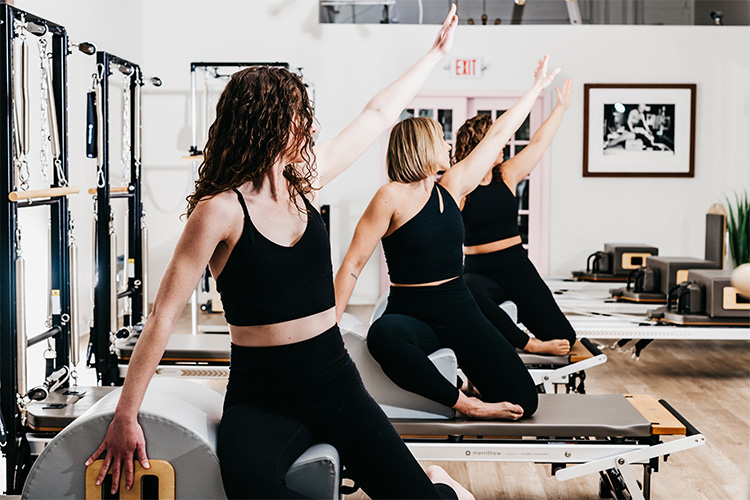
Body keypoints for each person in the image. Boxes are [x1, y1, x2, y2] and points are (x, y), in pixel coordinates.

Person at [85, 7, 474, 499]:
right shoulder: (220, 210)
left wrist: (435, 55)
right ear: (267, 123)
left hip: (335, 383)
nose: (310, 131)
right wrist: (125, 414)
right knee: (253, 489)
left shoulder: (304, 185)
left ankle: (439, 486)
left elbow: (377, 115)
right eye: (300, 120)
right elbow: (163, 314)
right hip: (261, 399)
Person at [335, 56, 560, 420]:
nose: (449, 144)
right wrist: (329, 332)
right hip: (411, 312)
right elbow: (352, 266)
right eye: (441, 138)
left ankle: (473, 381)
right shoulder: (389, 196)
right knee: (383, 337)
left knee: (525, 402)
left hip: (459, 307)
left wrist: (535, 90)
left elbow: (498, 134)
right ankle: (464, 401)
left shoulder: (451, 187)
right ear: (422, 146)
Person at [455, 78, 576, 356]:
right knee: (469, 290)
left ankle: (516, 321)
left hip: (516, 266)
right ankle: (525, 343)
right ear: (480, 143)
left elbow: (538, 143)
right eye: (497, 139)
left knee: (564, 338)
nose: (503, 144)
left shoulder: (507, 174)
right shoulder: (461, 183)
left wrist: (560, 107)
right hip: (479, 270)